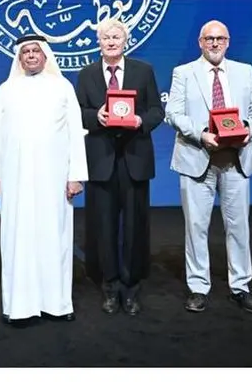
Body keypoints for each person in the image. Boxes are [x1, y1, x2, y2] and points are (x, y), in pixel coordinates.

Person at [0, 34, 88, 325]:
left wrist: (76, 175)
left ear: (45, 56)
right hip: (15, 179)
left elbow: (75, 134)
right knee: (18, 239)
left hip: (54, 179)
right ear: (19, 57)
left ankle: (57, 304)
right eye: (25, 51)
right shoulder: (6, 89)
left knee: (55, 237)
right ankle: (20, 306)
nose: (30, 55)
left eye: (35, 51)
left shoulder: (62, 87)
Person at [165, 19, 252, 314]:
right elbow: (173, 112)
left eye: (220, 39)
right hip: (198, 157)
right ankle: (198, 287)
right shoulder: (184, 72)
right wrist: (201, 133)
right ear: (200, 42)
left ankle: (241, 287)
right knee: (196, 226)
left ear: (228, 42)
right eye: (209, 38)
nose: (214, 43)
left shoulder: (244, 71)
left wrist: (248, 128)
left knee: (238, 226)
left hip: (236, 159)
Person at [75, 18, 163, 316]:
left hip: (135, 158)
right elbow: (78, 113)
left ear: (125, 40)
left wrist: (140, 121)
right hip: (101, 160)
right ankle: (110, 287)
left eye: (116, 37)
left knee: (135, 227)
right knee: (105, 226)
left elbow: (156, 110)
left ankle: (132, 286)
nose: (111, 41)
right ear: (98, 42)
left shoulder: (143, 71)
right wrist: (94, 116)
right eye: (105, 37)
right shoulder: (86, 75)